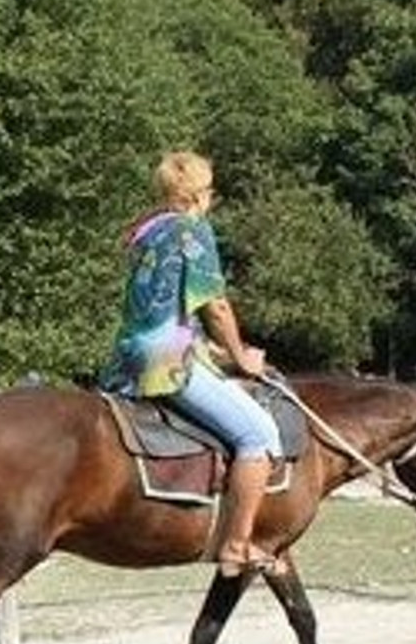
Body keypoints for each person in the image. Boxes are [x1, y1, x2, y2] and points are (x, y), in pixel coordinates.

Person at [99, 150, 281, 576]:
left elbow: (160, 307)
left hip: (126, 358)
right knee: (259, 434)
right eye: (211, 191)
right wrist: (241, 357)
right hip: (166, 363)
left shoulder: (146, 231)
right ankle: (237, 545)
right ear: (200, 194)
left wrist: (208, 350)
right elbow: (216, 307)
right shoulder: (192, 231)